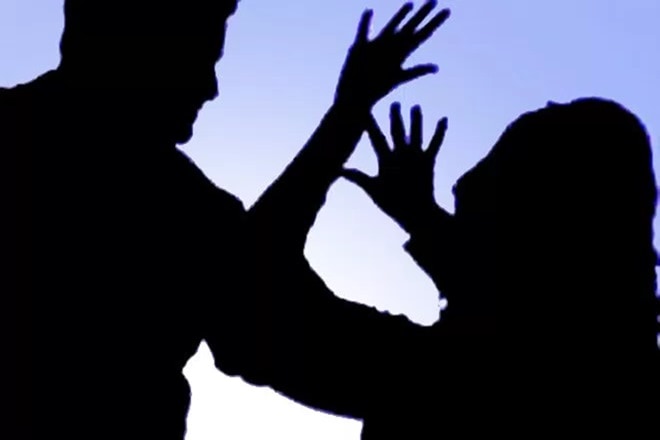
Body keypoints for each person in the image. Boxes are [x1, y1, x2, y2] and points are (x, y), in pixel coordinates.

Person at [1, 1, 453, 438]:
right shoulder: (184, 216)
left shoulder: (188, 211)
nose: (211, 87)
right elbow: (292, 336)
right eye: (200, 59)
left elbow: (277, 324)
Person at [341, 99, 660, 437]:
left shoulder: (449, 371)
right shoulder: (616, 368)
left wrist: (344, 115)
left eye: (495, 173)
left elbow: (297, 329)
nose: (459, 185)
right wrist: (423, 217)